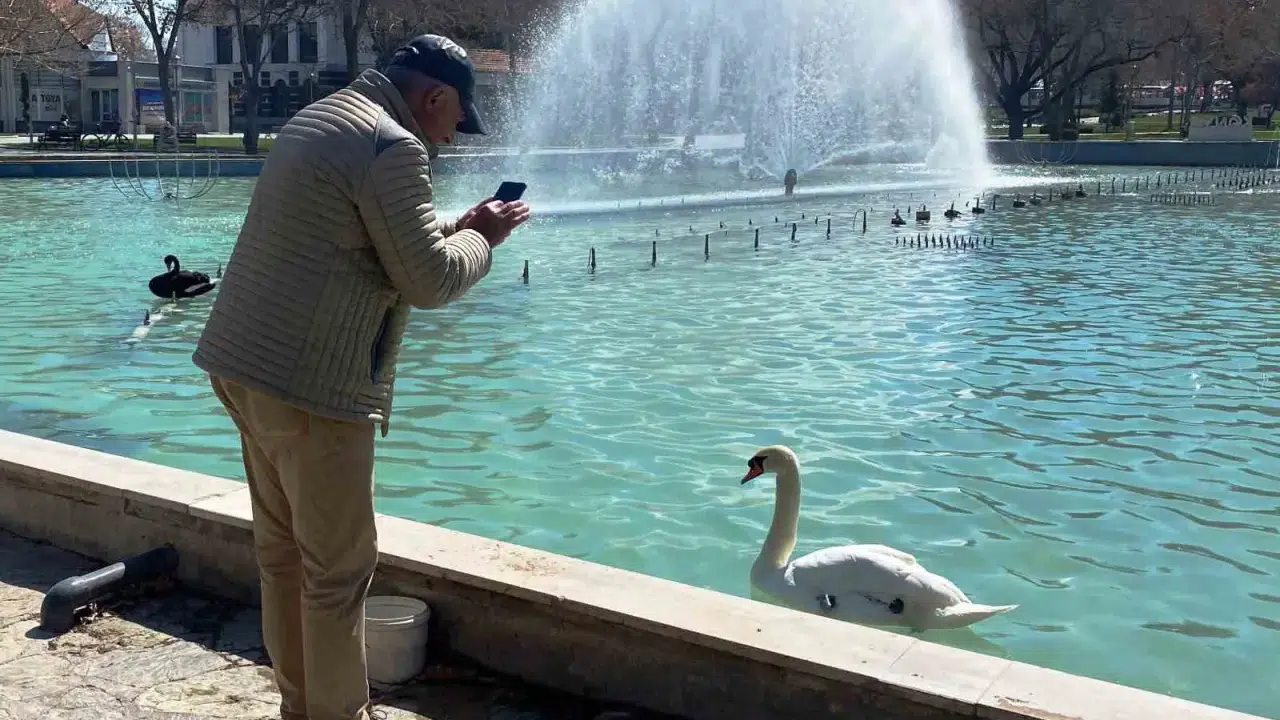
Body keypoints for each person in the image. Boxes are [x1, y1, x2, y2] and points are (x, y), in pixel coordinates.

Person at [191, 34, 530, 720]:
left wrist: (455, 224)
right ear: (434, 97)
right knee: (338, 574)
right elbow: (429, 281)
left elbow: (371, 232)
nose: (452, 137)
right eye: (456, 119)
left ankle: (301, 707)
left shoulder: (321, 118)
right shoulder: (393, 146)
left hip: (243, 366)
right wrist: (483, 238)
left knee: (284, 558)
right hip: (312, 387)